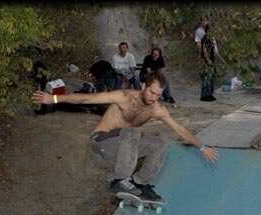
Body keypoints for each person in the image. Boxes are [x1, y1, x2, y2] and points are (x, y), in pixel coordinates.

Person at [31, 71, 218, 201]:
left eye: (158, 95)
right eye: (151, 92)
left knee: (160, 143)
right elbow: (87, 98)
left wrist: (201, 147)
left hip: (123, 151)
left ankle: (141, 183)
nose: (153, 98)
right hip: (101, 143)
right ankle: (120, 181)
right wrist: (54, 98)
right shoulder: (124, 96)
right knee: (132, 132)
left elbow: (180, 129)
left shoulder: (157, 109)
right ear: (143, 86)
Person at [200, 24, 227, 101]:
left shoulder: (211, 39)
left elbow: (215, 51)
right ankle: (204, 95)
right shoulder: (205, 38)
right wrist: (208, 60)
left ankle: (209, 93)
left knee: (212, 77)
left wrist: (222, 59)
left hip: (212, 59)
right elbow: (204, 50)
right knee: (206, 77)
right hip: (207, 60)